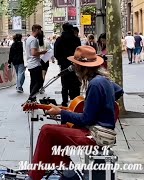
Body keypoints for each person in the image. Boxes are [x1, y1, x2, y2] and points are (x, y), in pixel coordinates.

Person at [27, 46, 124, 179]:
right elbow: (119, 91)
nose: (73, 66)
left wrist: (61, 112)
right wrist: (103, 106)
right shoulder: (104, 80)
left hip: (96, 136)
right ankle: (69, 174)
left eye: (75, 64)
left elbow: (86, 120)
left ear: (82, 67)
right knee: (55, 135)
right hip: (99, 130)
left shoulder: (95, 84)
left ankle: (34, 177)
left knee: (47, 130)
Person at [54, 23, 81, 106]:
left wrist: (61, 60)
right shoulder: (76, 39)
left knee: (65, 84)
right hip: (75, 64)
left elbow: (56, 54)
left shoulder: (59, 40)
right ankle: (76, 101)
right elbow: (79, 52)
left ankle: (64, 101)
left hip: (64, 65)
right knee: (75, 84)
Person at [26, 25, 47, 101]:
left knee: (33, 82)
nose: (41, 32)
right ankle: (31, 97)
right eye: (40, 30)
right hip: (35, 64)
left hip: (31, 64)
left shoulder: (29, 39)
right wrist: (43, 52)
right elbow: (34, 53)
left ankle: (32, 98)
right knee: (39, 82)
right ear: (37, 30)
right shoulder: (33, 40)